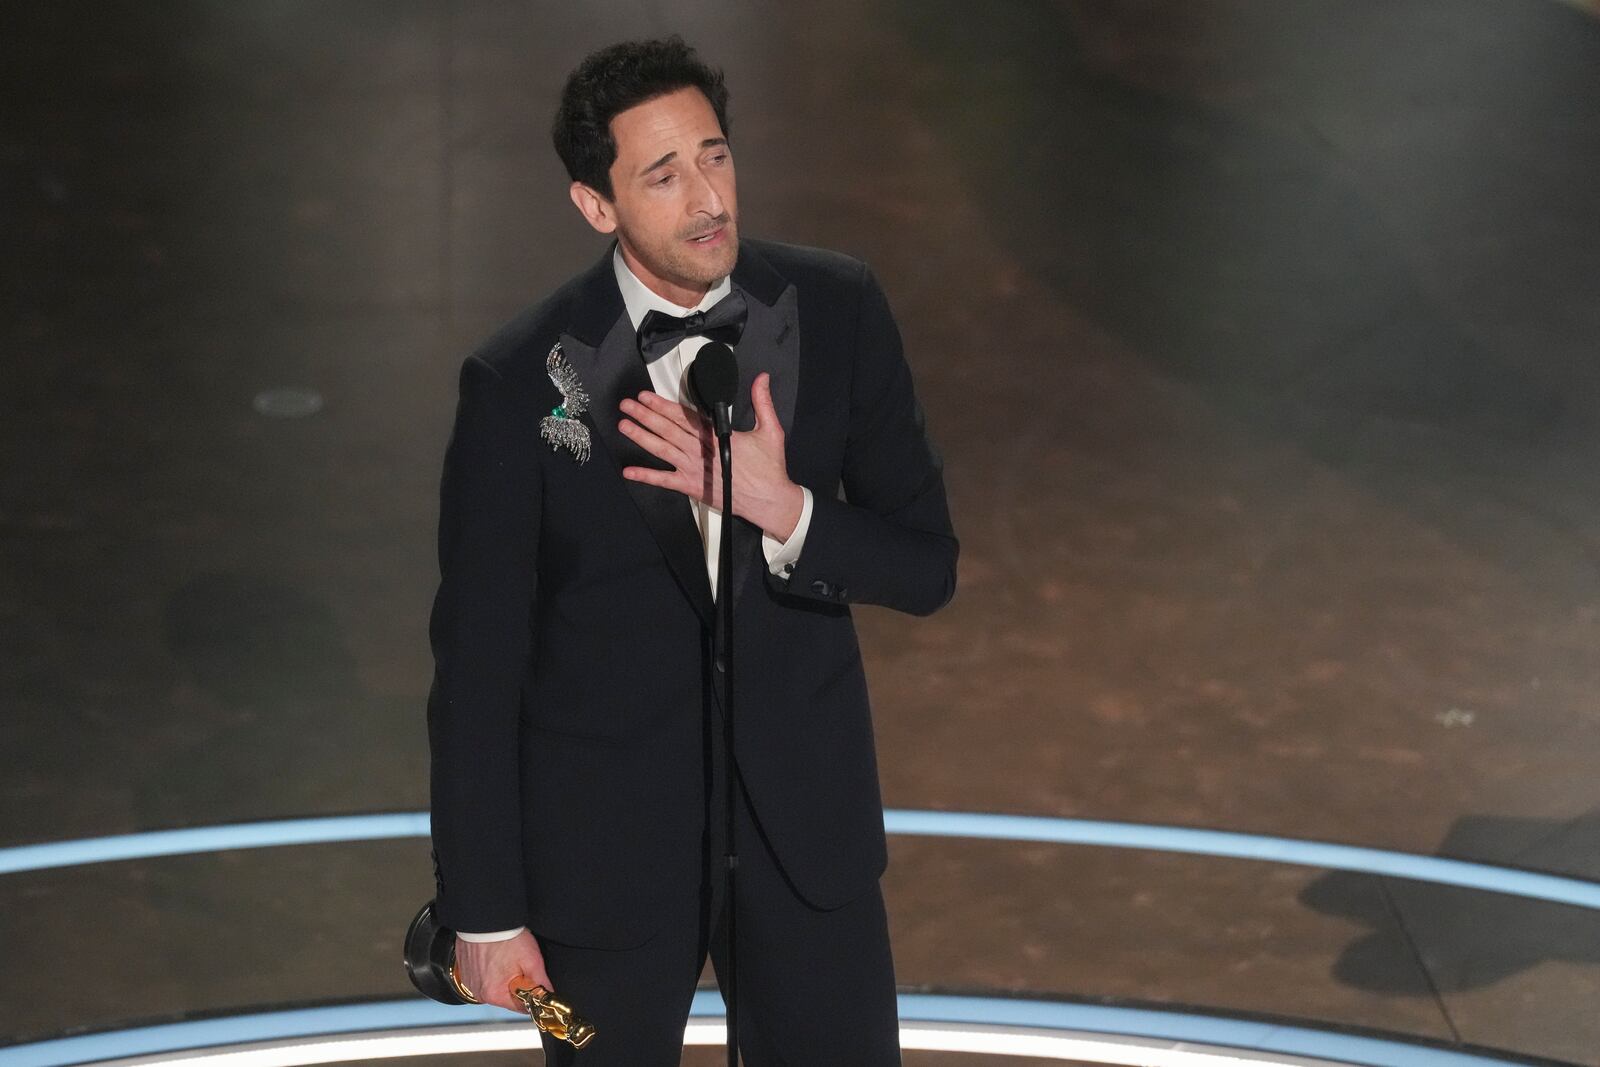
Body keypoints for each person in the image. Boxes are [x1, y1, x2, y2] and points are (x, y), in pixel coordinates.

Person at [426, 36, 957, 1066]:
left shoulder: (838, 308)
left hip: (806, 848)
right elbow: (478, 669)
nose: (707, 196)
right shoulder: (517, 381)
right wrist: (483, 913)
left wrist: (789, 507)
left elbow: (925, 564)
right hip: (601, 869)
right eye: (662, 175)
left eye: (714, 156)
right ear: (596, 203)